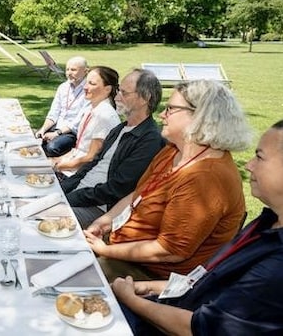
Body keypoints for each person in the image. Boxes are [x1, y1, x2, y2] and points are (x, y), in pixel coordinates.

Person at [112, 121, 283, 335]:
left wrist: (129, 299)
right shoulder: (267, 222)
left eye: (259, 157)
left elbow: (198, 328)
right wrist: (151, 287)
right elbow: (209, 279)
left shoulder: (276, 266)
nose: (248, 165)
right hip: (171, 301)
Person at [84, 80, 252, 281]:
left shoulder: (206, 177)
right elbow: (139, 194)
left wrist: (105, 250)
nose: (162, 115)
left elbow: (169, 251)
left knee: (71, 274)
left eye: (170, 109)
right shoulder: (173, 150)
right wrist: (106, 221)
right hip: (120, 249)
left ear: (200, 117)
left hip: (150, 275)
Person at [60, 69, 165, 228]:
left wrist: (69, 198)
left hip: (100, 208)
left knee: (40, 218)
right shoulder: (120, 128)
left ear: (145, 98)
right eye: (118, 91)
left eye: (124, 93)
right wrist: (61, 190)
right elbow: (91, 164)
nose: (116, 97)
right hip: (79, 194)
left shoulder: (149, 139)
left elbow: (116, 189)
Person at [52, 66, 121, 177]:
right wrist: (56, 160)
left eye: (92, 84)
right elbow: (80, 149)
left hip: (85, 176)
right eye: (86, 82)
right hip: (73, 168)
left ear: (107, 89)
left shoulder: (104, 115)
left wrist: (58, 166)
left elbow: (91, 158)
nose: (85, 87)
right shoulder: (91, 108)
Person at [34, 56, 89, 157]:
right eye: (67, 69)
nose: (69, 73)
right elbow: (53, 113)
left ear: (85, 71)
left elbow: (78, 121)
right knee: (32, 140)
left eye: (73, 70)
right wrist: (43, 129)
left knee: (52, 147)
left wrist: (56, 134)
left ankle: (58, 167)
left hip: (72, 132)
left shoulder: (88, 90)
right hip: (56, 127)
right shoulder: (63, 87)